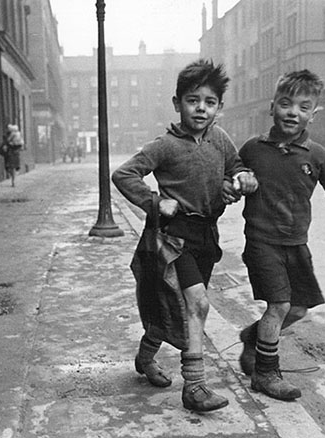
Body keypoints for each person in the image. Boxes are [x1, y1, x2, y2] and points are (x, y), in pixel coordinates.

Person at [112, 59, 258, 412]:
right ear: (177, 103)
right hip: (171, 238)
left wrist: (240, 181)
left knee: (174, 307)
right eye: (193, 100)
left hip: (205, 237)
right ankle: (194, 387)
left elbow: (236, 168)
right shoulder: (164, 145)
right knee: (197, 303)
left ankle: (145, 358)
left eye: (209, 102)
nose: (201, 108)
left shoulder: (220, 139)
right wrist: (155, 201)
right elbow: (123, 175)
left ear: (219, 108)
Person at [232, 70, 325, 401]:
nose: (293, 112)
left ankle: (253, 337)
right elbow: (231, 173)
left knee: (298, 309)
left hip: (296, 244)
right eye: (285, 103)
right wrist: (239, 180)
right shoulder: (253, 148)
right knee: (279, 305)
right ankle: (266, 374)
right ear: (272, 107)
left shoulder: (316, 155)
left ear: (313, 113)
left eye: (303, 107)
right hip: (262, 241)